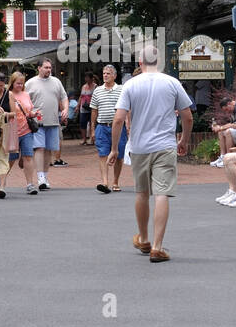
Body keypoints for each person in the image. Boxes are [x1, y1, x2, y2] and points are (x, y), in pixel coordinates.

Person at [111, 45, 193, 263]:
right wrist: (183, 140)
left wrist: (113, 149)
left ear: (140, 62)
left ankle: (144, 239)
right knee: (162, 193)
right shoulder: (172, 83)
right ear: (159, 62)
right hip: (165, 145)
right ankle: (157, 246)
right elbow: (187, 116)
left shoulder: (130, 85)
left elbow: (118, 119)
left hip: (139, 146)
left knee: (141, 193)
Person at [25, 59, 67, 188]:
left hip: (53, 121)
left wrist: (65, 109)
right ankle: (40, 177)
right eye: (46, 67)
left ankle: (45, 175)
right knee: (39, 148)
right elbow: (24, 101)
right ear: (39, 68)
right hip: (37, 123)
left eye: (50, 67)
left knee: (49, 149)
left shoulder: (56, 82)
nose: (49, 70)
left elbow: (63, 97)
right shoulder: (30, 83)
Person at [90, 64, 127, 193]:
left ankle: (115, 181)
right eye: (104, 73)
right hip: (102, 126)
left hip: (118, 128)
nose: (105, 75)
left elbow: (127, 110)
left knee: (119, 155)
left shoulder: (122, 89)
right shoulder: (97, 90)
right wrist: (93, 129)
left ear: (115, 76)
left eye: (108, 73)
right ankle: (105, 182)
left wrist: (128, 127)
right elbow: (94, 111)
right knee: (103, 154)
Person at [3, 71, 39, 195]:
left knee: (28, 156)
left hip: (26, 130)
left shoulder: (26, 94)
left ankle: (30, 184)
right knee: (11, 158)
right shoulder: (7, 95)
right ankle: (1, 182)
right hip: (13, 131)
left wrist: (33, 114)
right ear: (12, 83)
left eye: (22, 83)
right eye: (18, 83)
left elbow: (28, 111)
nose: (20, 85)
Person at [208, 97, 236, 167]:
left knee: (228, 132)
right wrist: (220, 128)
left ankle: (228, 159)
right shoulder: (234, 109)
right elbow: (232, 124)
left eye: (226, 109)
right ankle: (223, 156)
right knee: (221, 132)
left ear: (229, 103)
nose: (227, 112)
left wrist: (220, 127)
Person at [78, 72, 96, 145]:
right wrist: (77, 106)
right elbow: (81, 96)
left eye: (88, 77)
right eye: (85, 78)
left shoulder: (95, 86)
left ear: (91, 78)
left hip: (92, 107)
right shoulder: (83, 86)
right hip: (83, 108)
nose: (86, 79)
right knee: (83, 123)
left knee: (92, 123)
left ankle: (92, 139)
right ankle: (84, 139)